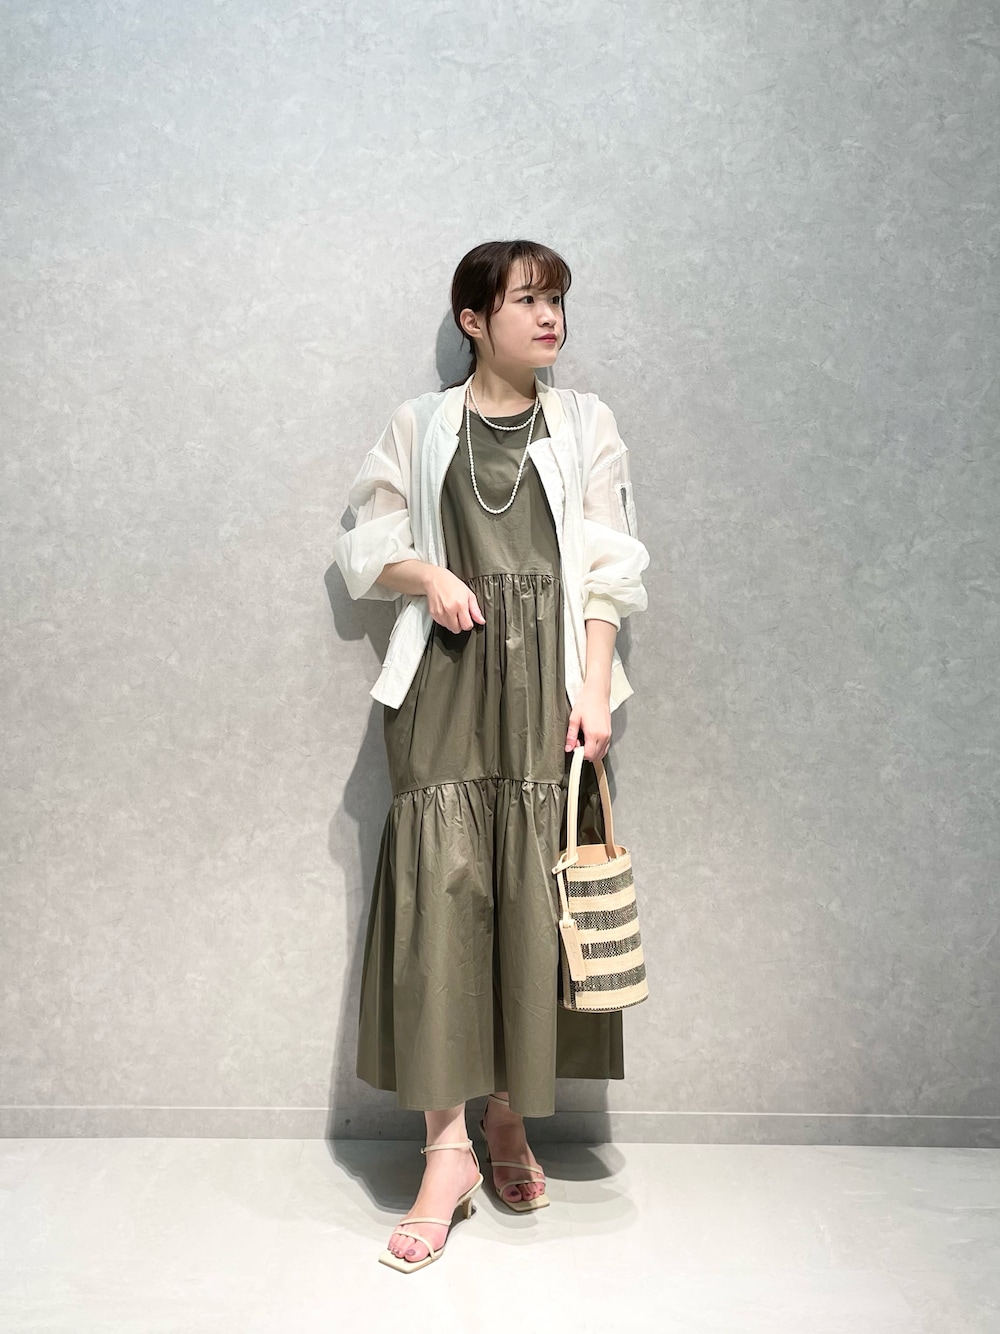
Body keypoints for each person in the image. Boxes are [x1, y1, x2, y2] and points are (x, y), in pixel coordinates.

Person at [334, 239, 650, 1273]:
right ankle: (446, 1150)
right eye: (527, 299)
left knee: (533, 899)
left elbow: (610, 565)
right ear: (474, 318)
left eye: (557, 299)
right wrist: (426, 574)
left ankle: (509, 1117)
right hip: (447, 683)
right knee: (443, 902)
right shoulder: (420, 423)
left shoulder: (587, 422)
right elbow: (363, 543)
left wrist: (593, 688)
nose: (549, 316)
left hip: (550, 687)